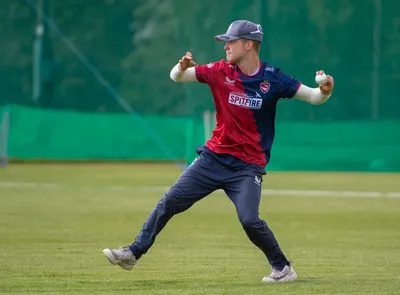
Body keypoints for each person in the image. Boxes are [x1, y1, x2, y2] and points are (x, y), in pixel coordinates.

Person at [103, 20, 334, 283]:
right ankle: (133, 253)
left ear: (248, 44)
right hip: (212, 159)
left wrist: (325, 91)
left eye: (231, 41)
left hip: (247, 166)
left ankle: (283, 268)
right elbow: (177, 77)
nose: (226, 46)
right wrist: (180, 68)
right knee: (169, 202)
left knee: (249, 220)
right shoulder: (219, 70)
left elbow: (314, 96)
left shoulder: (273, 77)